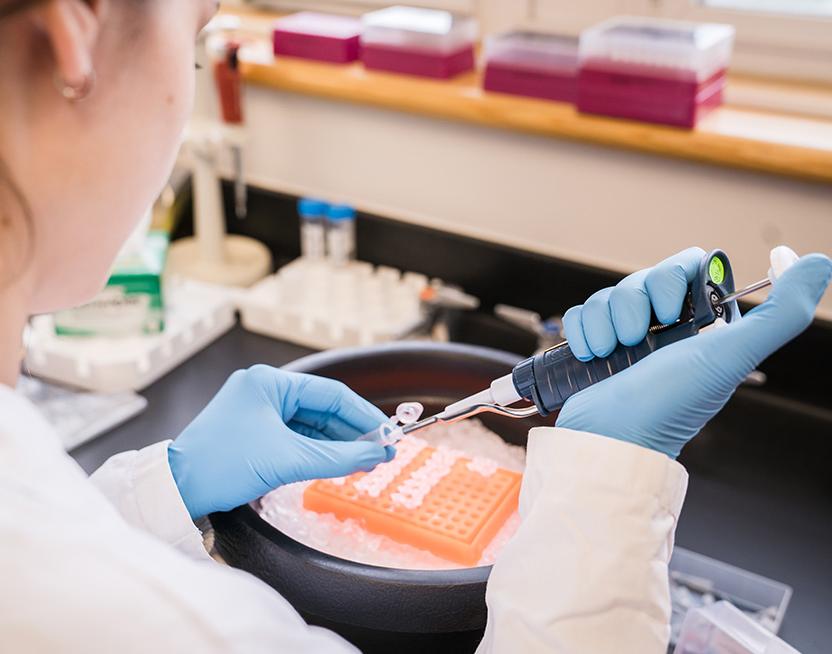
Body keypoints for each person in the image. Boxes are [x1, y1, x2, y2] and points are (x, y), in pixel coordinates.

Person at [0, 1, 829, 652]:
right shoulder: (181, 631)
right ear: (75, 40)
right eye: (189, 47)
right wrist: (612, 488)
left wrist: (157, 495)